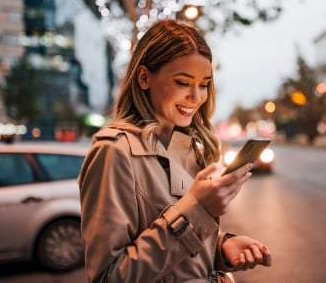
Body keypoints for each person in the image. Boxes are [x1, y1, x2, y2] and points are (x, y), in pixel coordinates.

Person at [78, 19, 272, 283]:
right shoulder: (114, 152)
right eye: (183, 82)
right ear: (144, 78)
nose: (197, 96)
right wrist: (199, 209)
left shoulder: (190, 148)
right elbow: (108, 277)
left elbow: (178, 257)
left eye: (204, 84)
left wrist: (220, 248)